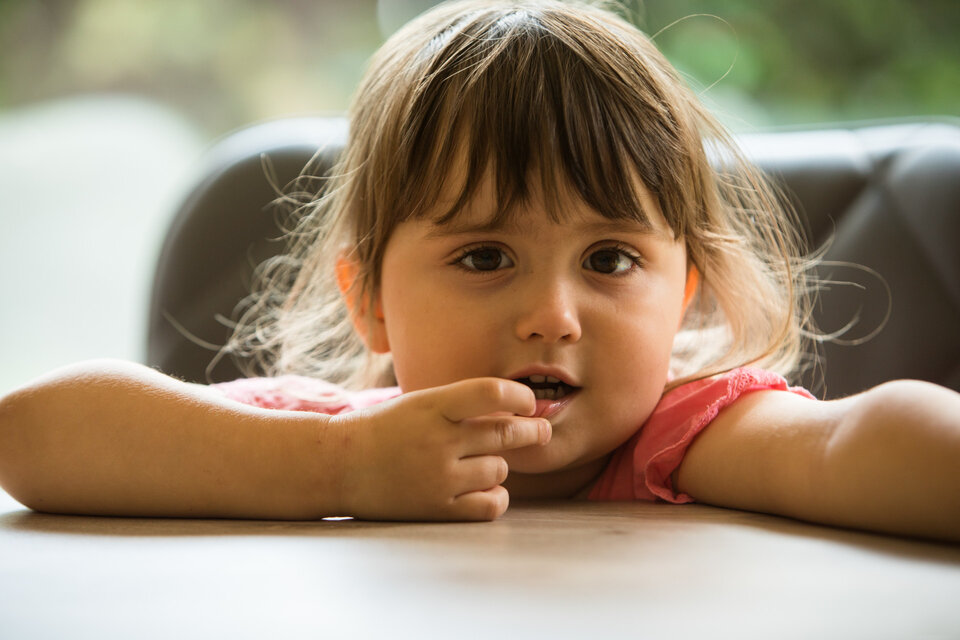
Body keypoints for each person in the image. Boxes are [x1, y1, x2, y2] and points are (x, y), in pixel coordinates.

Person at [0, 0, 958, 542]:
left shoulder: (680, 440)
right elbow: (35, 436)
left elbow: (853, 443)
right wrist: (337, 467)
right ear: (370, 300)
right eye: (486, 256)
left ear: (684, 296)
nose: (552, 314)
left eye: (612, 259)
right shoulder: (344, 437)